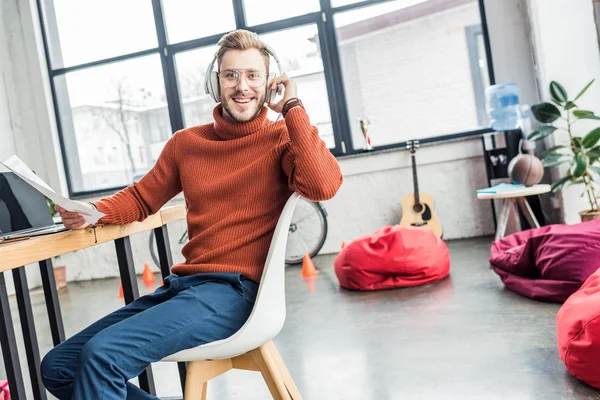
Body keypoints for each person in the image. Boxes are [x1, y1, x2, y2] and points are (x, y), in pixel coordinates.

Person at [40, 29, 343, 399]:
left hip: (236, 293)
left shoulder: (282, 139)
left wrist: (293, 108)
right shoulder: (186, 144)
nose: (242, 86)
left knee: (103, 357)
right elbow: (142, 197)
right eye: (231, 75)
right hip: (184, 288)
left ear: (269, 83)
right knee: (58, 367)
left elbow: (323, 185)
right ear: (216, 83)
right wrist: (92, 211)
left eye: (253, 75)